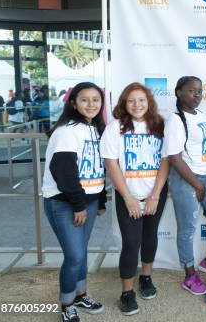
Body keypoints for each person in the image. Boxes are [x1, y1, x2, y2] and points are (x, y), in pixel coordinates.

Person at [100, 83, 169, 315]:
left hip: (154, 194)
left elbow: (166, 161)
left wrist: (155, 195)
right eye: (131, 101)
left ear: (148, 101)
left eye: (141, 100)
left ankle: (146, 278)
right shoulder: (115, 128)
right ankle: (126, 293)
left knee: (150, 237)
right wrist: (128, 198)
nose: (137, 105)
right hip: (127, 195)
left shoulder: (159, 125)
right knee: (131, 243)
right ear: (124, 103)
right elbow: (111, 163)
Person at [41, 82, 107, 322]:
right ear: (73, 103)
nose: (91, 104)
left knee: (81, 254)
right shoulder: (68, 130)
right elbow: (63, 171)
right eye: (85, 100)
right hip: (65, 203)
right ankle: (67, 303)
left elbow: (97, 167)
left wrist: (99, 201)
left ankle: (80, 294)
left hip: (86, 202)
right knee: (75, 256)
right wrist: (79, 205)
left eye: (96, 100)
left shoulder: (96, 128)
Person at [163, 76, 206, 296]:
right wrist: (197, 185)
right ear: (179, 93)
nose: (197, 95)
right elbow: (175, 158)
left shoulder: (202, 115)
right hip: (187, 180)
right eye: (191, 91)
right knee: (187, 229)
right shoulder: (176, 120)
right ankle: (189, 275)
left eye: (199, 91)